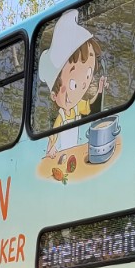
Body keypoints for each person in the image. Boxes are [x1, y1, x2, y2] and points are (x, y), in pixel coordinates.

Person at [37, 9, 107, 158]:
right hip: (62, 153)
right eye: (73, 84)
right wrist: (50, 149)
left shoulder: (77, 108)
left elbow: (89, 107)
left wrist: (99, 90)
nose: (83, 86)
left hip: (73, 150)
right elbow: (54, 134)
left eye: (88, 75)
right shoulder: (61, 116)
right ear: (54, 96)